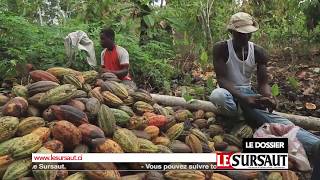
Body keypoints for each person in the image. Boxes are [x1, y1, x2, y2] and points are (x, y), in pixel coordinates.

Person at [209, 12, 320, 174]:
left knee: (271, 118)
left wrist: (268, 97)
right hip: (229, 92)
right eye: (240, 34)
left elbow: (263, 83)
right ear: (232, 32)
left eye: (248, 34)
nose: (244, 37)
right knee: (217, 95)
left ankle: (313, 144)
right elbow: (222, 79)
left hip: (247, 92)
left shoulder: (258, 51)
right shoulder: (221, 48)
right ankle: (242, 115)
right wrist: (244, 99)